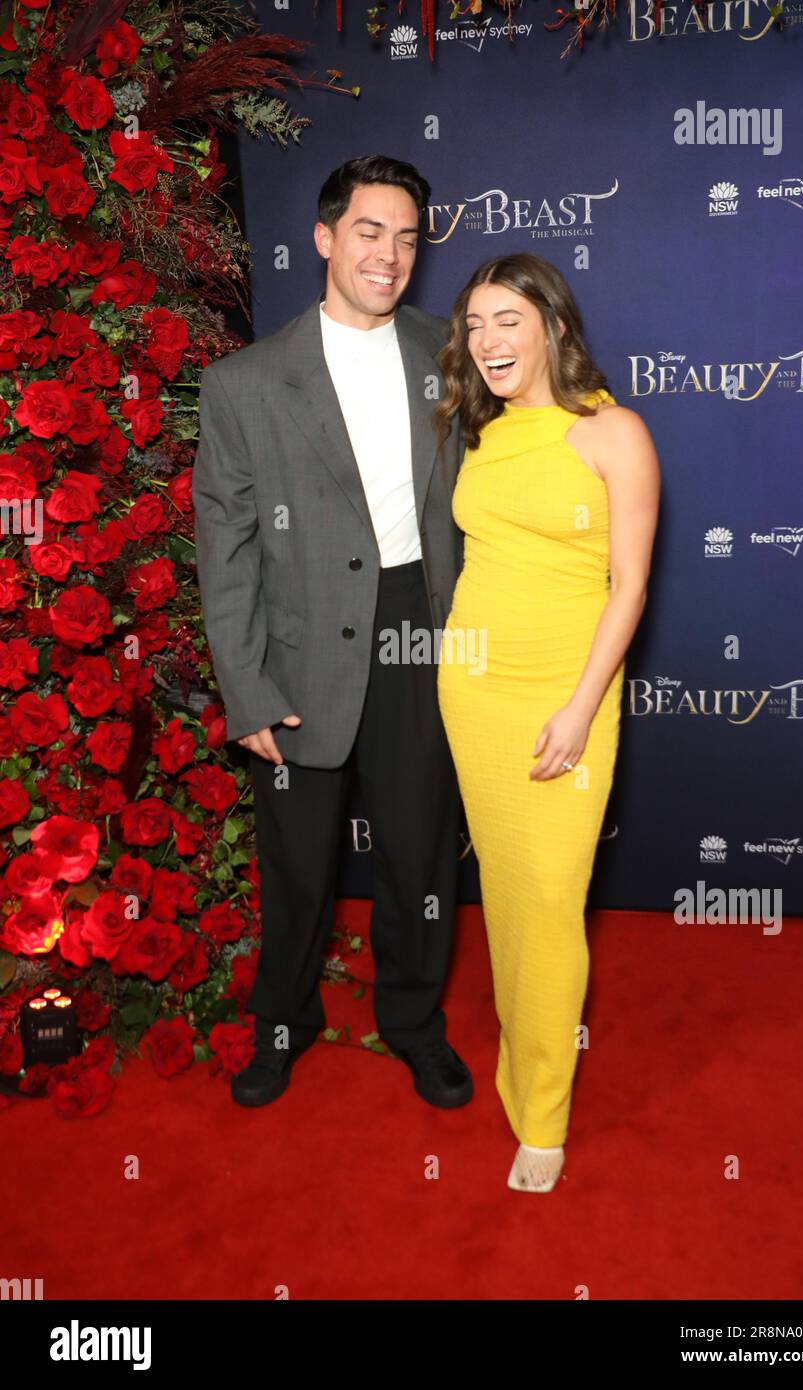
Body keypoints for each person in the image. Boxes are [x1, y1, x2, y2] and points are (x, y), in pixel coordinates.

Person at [192, 155, 472, 1110]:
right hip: (300, 643)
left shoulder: (450, 354)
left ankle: (414, 1025)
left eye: (405, 238)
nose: (389, 256)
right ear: (323, 237)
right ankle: (285, 1025)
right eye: (368, 232)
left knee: (420, 851)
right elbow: (223, 549)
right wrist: (246, 686)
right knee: (299, 867)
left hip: (419, 633)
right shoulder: (246, 384)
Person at [434, 253, 659, 1191]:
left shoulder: (613, 432)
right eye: (475, 325)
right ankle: (518, 1053)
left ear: (552, 325)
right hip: (474, 694)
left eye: (507, 321)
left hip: (566, 695)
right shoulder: (481, 435)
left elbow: (630, 586)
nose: (488, 342)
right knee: (512, 898)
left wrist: (580, 707)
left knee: (554, 899)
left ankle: (545, 1112)